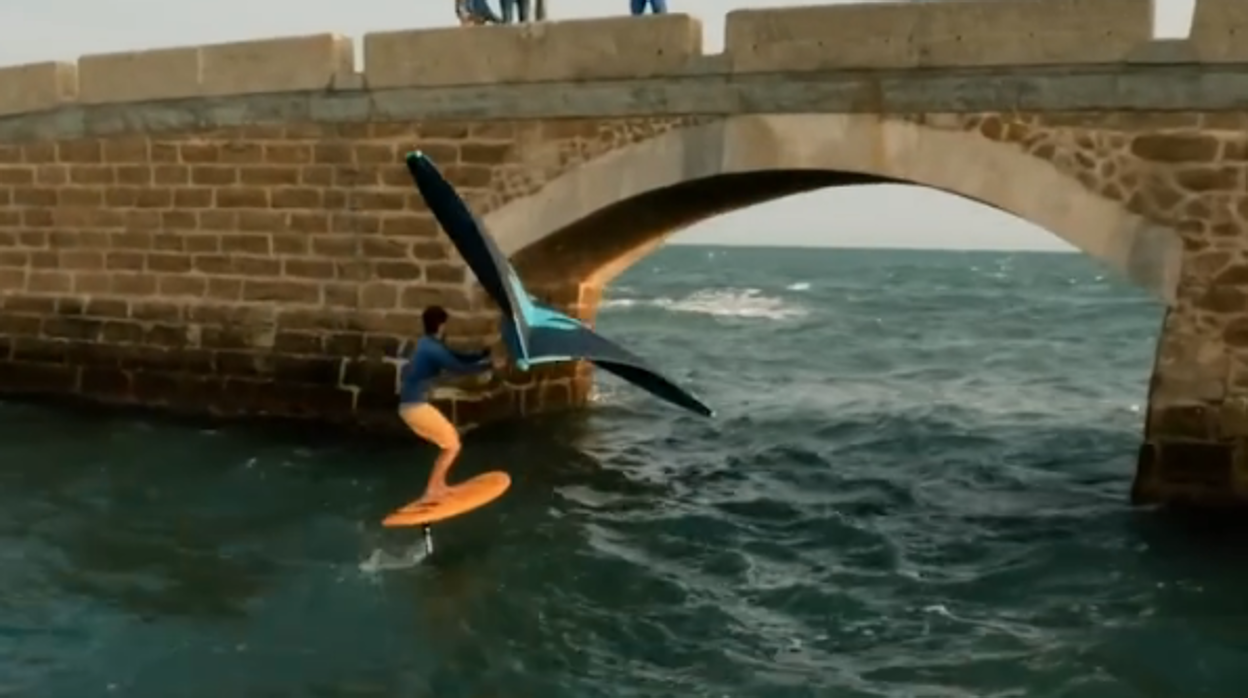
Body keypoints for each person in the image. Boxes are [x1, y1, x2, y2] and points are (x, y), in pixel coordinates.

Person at [398, 305, 500, 505]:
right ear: (442, 325)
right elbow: (459, 368)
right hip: (415, 408)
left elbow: (457, 357)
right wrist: (489, 365)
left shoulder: (428, 344)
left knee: (449, 444)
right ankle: (432, 490)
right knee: (453, 444)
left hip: (409, 407)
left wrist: (482, 354)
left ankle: (438, 486)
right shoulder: (432, 349)